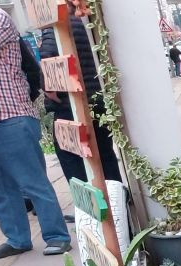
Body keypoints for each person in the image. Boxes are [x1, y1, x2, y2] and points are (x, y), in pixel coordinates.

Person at [0, 8, 72, 259]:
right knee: (0, 188)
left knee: (32, 181)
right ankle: (17, 238)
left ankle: (57, 236)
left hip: (12, 114)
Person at [39, 16, 123, 186]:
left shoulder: (55, 24)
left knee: (74, 163)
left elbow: (48, 61)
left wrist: (49, 92)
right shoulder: (84, 21)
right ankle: (118, 205)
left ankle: (90, 211)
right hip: (96, 100)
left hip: (70, 106)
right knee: (106, 155)